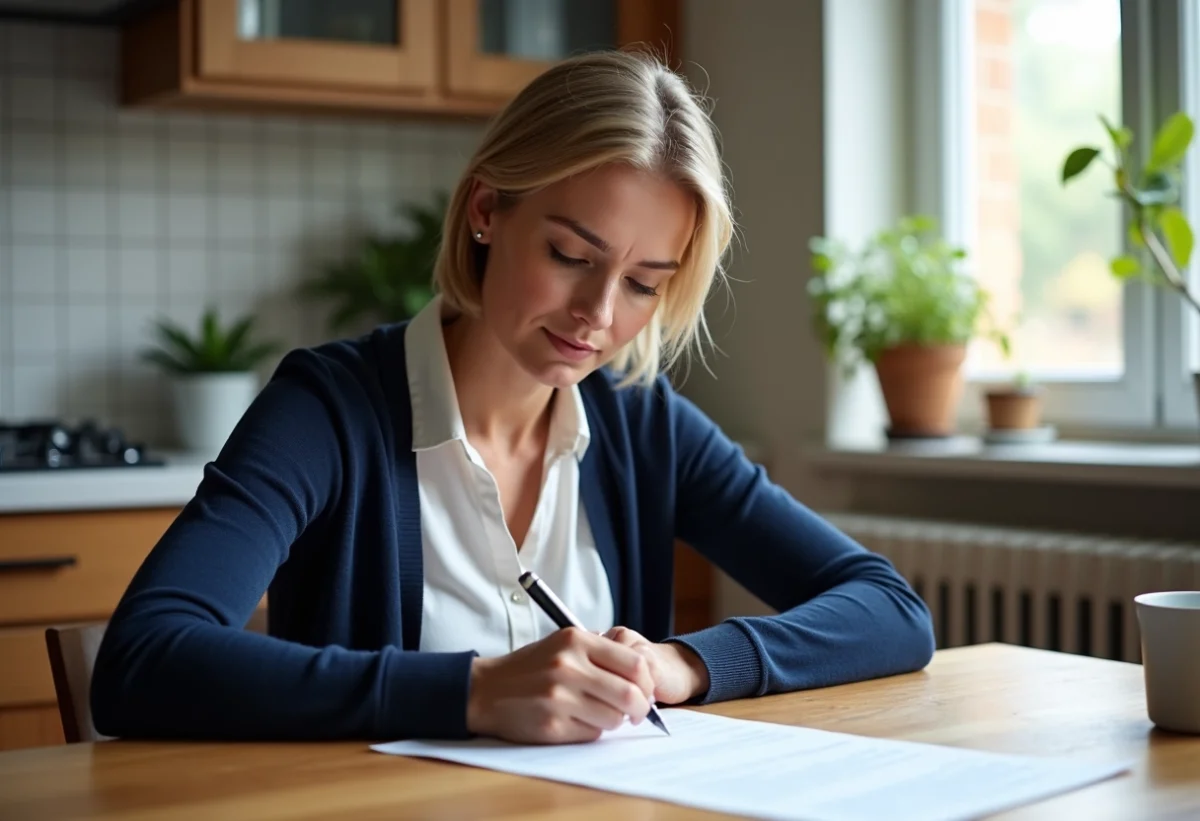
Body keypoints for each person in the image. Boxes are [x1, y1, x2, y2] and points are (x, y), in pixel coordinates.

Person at [91, 49, 934, 746]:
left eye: (645, 283)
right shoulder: (329, 411)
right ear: (488, 211)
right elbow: (141, 660)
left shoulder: (642, 423)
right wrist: (474, 691)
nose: (600, 317)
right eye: (571, 254)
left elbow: (891, 611)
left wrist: (681, 665)